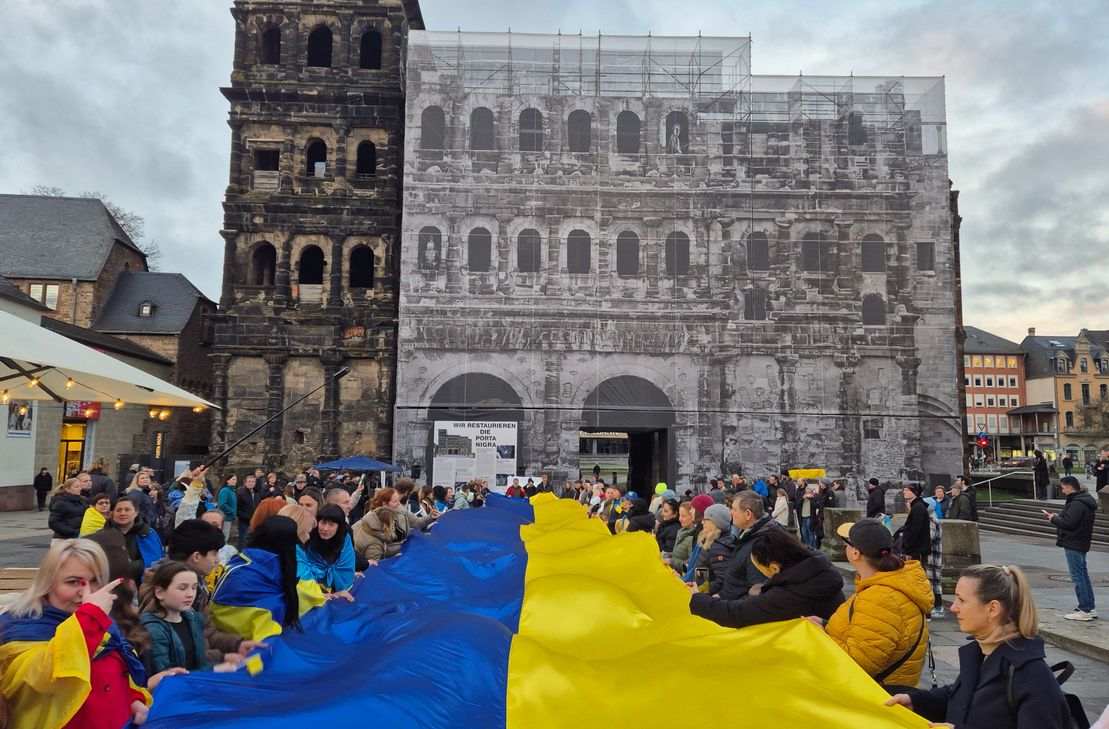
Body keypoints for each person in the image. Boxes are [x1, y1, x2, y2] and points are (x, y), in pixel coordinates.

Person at [886, 564, 1071, 728]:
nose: (953, 608)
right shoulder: (982, 652)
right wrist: (917, 701)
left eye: (962, 600)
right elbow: (961, 696)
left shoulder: (1032, 674)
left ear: (992, 609)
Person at [0, 539, 153, 728]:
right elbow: (44, 678)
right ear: (47, 585)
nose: (86, 593)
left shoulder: (99, 622)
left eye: (96, 580)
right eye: (73, 582)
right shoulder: (19, 629)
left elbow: (114, 673)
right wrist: (89, 617)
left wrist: (131, 698)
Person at [816, 519, 932, 688]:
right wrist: (825, 624)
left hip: (876, 698)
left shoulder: (880, 597)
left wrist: (821, 636)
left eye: (846, 543)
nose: (844, 547)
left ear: (856, 553)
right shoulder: (890, 583)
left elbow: (857, 663)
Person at [689, 528, 844, 629]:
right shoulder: (816, 569)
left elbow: (738, 614)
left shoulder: (790, 593)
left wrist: (698, 599)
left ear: (774, 567)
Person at [163, 519, 258, 663]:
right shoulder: (164, 591)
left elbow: (208, 632)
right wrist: (220, 657)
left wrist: (238, 644)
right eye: (214, 554)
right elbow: (173, 653)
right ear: (196, 557)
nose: (217, 560)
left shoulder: (198, 586)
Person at [139, 561, 236, 674]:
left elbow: (197, 663)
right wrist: (213, 669)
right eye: (182, 588)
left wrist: (224, 661)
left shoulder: (193, 619)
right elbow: (164, 677)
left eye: (194, 588)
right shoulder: (153, 630)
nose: (190, 594)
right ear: (160, 593)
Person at [1043, 475, 1098, 621]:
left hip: (1074, 542)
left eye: (1063, 488)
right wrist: (1057, 516)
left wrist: (1053, 519)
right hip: (1081, 541)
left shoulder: (1077, 503)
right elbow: (1071, 520)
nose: (1062, 491)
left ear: (1069, 487)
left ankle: (1085, 609)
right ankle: (1089, 607)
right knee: (1083, 575)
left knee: (1077, 576)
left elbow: (1069, 524)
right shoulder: (1083, 501)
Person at [719, 491, 782, 601]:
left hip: (739, 611)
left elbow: (758, 592)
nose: (730, 513)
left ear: (748, 514)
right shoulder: (750, 534)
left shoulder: (762, 543)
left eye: (734, 509)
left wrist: (726, 607)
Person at [103, 496, 164, 583]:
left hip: (142, 583)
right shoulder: (103, 535)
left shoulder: (148, 533)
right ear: (113, 513)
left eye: (127, 510)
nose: (122, 513)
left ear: (136, 512)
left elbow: (154, 562)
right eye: (118, 510)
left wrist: (130, 566)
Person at [302, 504, 356, 592]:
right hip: (311, 590)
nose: (325, 529)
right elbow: (303, 569)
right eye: (322, 523)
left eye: (331, 524)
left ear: (339, 527)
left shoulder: (345, 539)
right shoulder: (308, 538)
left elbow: (347, 567)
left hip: (341, 592)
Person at [695, 504, 736, 596]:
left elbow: (722, 580)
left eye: (705, 519)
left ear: (715, 522)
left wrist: (700, 590)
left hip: (708, 598)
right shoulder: (713, 541)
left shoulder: (718, 548)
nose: (702, 522)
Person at [899, 484, 930, 566]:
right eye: (904, 490)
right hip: (915, 549)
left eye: (907, 490)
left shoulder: (918, 508)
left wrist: (908, 549)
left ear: (915, 493)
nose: (904, 492)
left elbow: (915, 531)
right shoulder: (917, 506)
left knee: (916, 575)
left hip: (916, 551)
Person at [48, 477, 86, 542]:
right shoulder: (60, 503)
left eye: (80, 486)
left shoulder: (83, 501)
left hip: (80, 538)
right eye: (76, 487)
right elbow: (53, 522)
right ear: (67, 489)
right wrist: (73, 532)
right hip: (63, 539)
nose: (80, 489)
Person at [667, 501, 698, 574]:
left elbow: (691, 564)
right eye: (680, 515)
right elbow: (678, 555)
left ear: (692, 516)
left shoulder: (693, 537)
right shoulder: (682, 532)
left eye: (683, 516)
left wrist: (672, 562)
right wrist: (666, 555)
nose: (679, 519)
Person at [235, 473, 257, 550]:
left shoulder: (257, 494)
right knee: (242, 540)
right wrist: (245, 517)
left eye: (253, 481)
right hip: (244, 522)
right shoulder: (240, 494)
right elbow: (237, 509)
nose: (251, 483)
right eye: (249, 481)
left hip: (255, 521)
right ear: (245, 483)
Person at [216, 475, 238, 542]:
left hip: (229, 517)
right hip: (225, 517)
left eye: (235, 479)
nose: (235, 481)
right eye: (233, 479)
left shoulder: (232, 491)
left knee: (225, 536)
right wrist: (231, 511)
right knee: (224, 537)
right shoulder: (225, 491)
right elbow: (222, 504)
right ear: (227, 481)